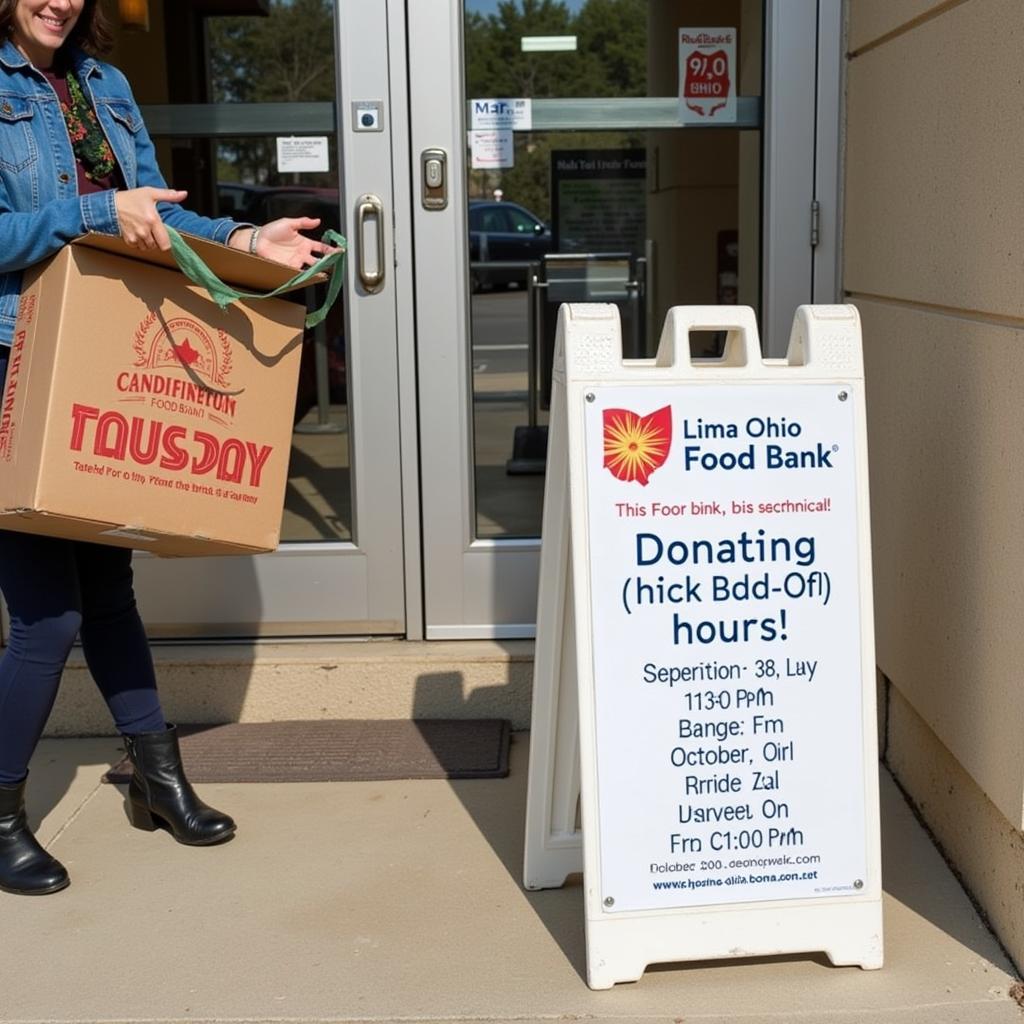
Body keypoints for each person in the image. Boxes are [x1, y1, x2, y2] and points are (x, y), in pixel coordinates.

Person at [0, 0, 334, 896]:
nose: (61, 1)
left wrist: (242, 238)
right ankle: (0, 816)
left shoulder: (104, 85)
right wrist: (92, 208)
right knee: (46, 613)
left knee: (108, 589)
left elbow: (152, 215)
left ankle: (158, 778)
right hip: (14, 362)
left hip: (94, 356)